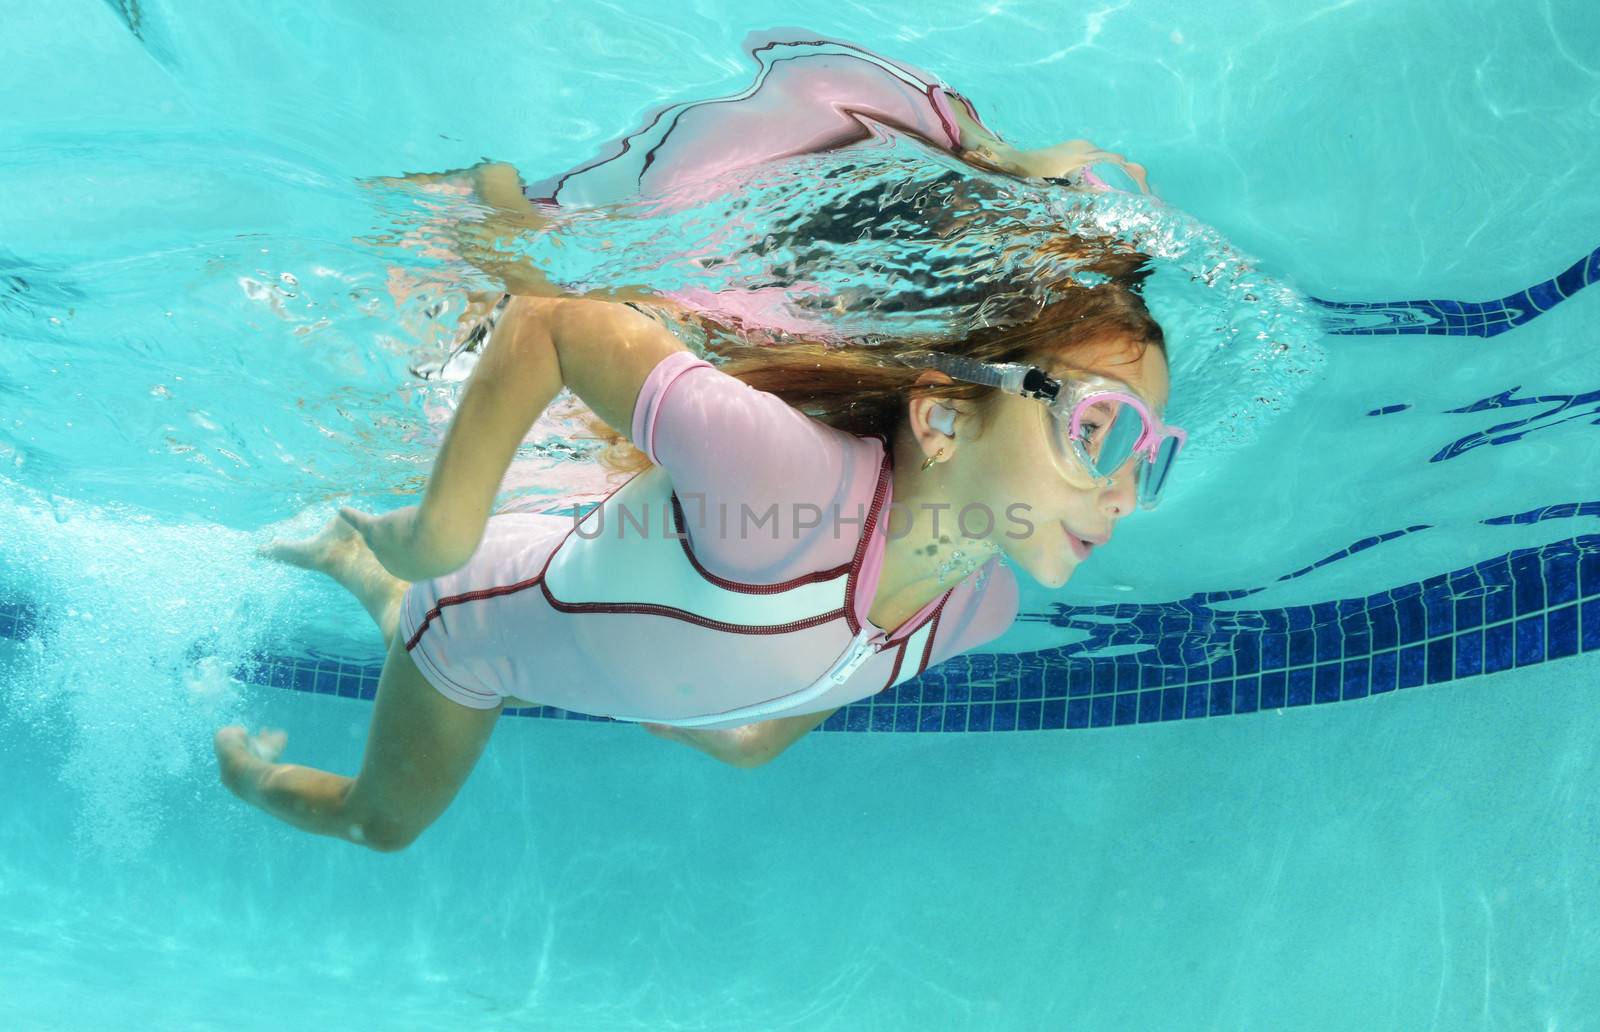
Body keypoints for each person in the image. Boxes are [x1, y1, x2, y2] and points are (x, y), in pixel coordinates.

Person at [212, 40, 1182, 854]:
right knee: (382, 825)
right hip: (468, 634)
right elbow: (551, 317)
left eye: (1149, 453)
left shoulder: (980, 602)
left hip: (579, 652)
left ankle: (363, 568)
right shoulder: (788, 488)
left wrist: (708, 713)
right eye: (1099, 434)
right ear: (940, 417)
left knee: (740, 743)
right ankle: (251, 769)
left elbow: (767, 716)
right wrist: (439, 537)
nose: (1129, 496)